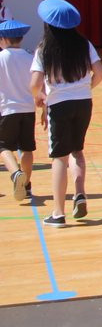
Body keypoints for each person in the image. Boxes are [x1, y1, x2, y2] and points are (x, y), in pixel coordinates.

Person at [30, 0, 102, 227]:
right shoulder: (84, 44)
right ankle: (79, 193)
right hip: (84, 102)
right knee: (77, 150)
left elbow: (34, 83)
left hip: (59, 104)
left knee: (59, 158)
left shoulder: (45, 48)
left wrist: (41, 97)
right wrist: (85, 88)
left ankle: (58, 212)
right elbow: (100, 73)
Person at [0, 19, 35, 202]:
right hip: (28, 109)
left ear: (4, 39)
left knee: (3, 146)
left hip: (7, 109)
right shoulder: (30, 57)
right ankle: (27, 185)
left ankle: (15, 174)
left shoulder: (2, 57)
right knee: (27, 148)